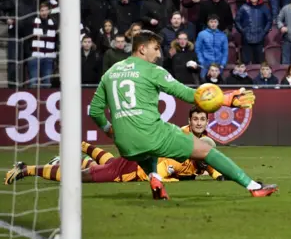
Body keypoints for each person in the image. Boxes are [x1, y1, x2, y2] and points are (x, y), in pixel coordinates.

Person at [88, 30, 276, 199]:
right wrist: (225, 100)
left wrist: (109, 129)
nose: (159, 54)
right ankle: (253, 186)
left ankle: (155, 179)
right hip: (150, 135)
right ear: (143, 49)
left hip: (124, 144)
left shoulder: (110, 73)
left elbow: (95, 111)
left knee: (149, 149)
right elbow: (185, 93)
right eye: (156, 48)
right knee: (205, 150)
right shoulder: (153, 71)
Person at [5, 109, 225, 184]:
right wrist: (174, 179)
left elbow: (214, 167)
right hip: (132, 168)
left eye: (202, 120)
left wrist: (220, 176)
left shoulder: (199, 155)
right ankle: (26, 169)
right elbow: (157, 173)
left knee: (104, 162)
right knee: (80, 177)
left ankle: (73, 152)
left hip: (132, 163)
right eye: (195, 119)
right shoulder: (182, 140)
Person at [234, 0, 272, 64]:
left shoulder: (264, 8)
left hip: (260, 39)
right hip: (246, 40)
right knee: (246, 63)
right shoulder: (243, 7)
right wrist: (243, 31)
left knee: (259, 64)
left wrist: (264, 32)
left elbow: (269, 21)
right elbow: (237, 21)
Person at [195, 15, 229, 79]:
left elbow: (225, 51)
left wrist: (223, 63)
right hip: (205, 65)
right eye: (211, 22)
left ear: (218, 23)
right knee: (204, 84)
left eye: (215, 22)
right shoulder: (202, 34)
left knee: (217, 85)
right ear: (208, 23)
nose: (213, 24)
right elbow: (198, 49)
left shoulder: (223, 35)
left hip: (218, 65)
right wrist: (201, 61)